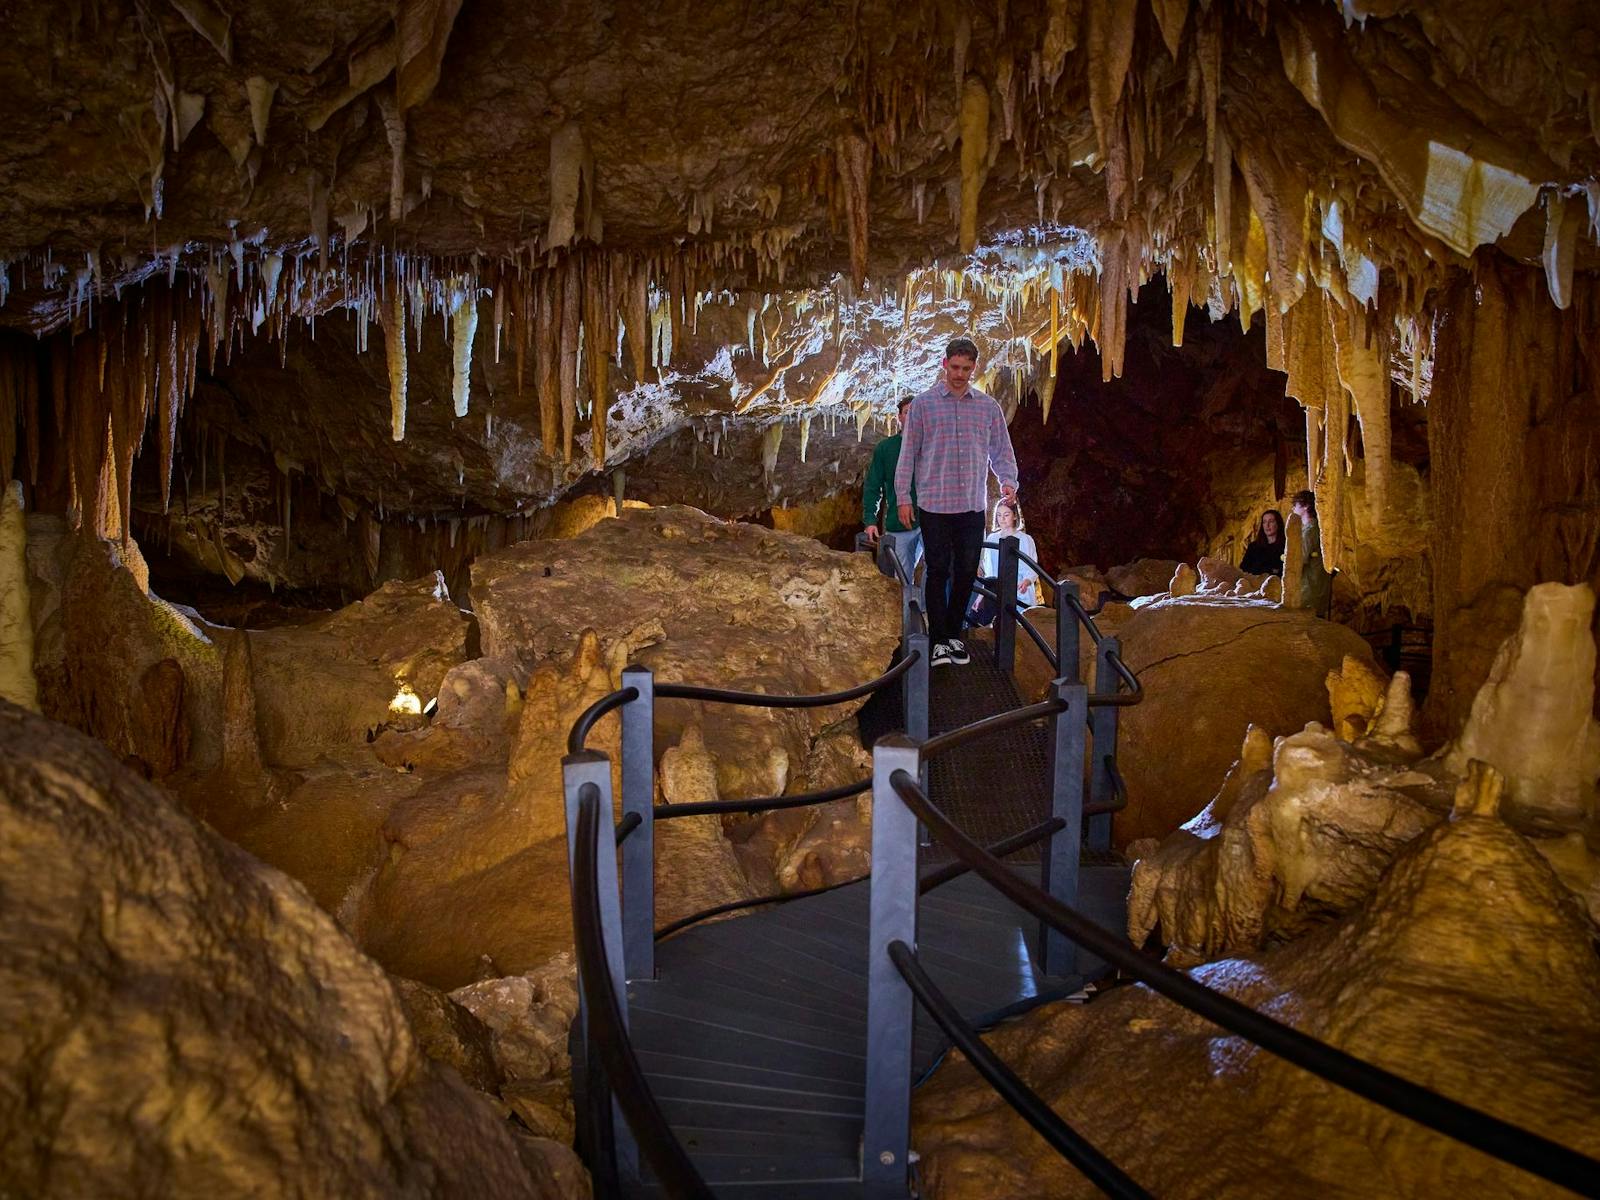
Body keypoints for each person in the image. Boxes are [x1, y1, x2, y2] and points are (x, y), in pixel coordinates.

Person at [894, 335, 1020, 667]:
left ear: (975, 368)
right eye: (955, 367)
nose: (960, 374)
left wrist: (1008, 479)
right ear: (944, 364)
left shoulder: (988, 407)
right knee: (937, 570)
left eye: (966, 368)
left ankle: (953, 635)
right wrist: (903, 497)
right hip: (934, 504)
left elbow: (1001, 450)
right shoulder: (923, 404)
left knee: (966, 572)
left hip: (971, 505)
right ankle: (937, 640)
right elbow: (908, 454)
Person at [861, 395, 921, 586]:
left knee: (937, 569)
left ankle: (931, 613)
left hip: (931, 520)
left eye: (915, 412)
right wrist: (870, 519)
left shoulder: (932, 445)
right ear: (899, 417)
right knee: (902, 576)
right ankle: (904, 614)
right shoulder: (886, 448)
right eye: (906, 412)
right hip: (899, 522)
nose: (911, 416)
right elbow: (873, 485)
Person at [966, 498, 1040, 627]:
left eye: (1006, 515)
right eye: (999, 515)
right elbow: (990, 571)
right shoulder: (992, 538)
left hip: (1019, 589)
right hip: (996, 589)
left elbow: (1032, 565)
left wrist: (1027, 581)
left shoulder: (1026, 539)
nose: (1002, 519)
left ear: (1014, 516)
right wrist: (981, 596)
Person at [1291, 489, 1333, 616]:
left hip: (1308, 590)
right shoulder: (1318, 529)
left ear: (1305, 506)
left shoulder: (1309, 531)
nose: (1293, 508)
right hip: (1318, 589)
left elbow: (1300, 560)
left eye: (1296, 505)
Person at [1239, 508, 1286, 576]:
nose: (1267, 525)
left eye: (1271, 521)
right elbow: (1243, 569)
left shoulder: (1285, 546)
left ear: (1278, 523)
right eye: (1264, 522)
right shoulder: (1253, 547)